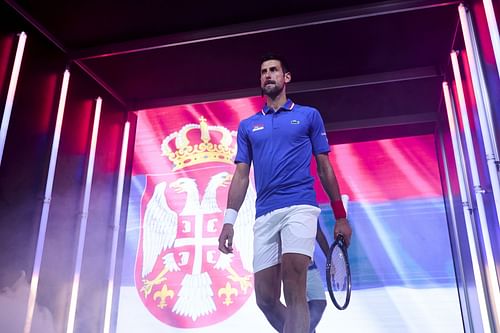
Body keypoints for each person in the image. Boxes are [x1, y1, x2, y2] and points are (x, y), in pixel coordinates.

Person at [218, 54, 352, 333]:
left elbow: (325, 168)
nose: (268, 75)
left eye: (274, 70)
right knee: (265, 299)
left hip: (299, 206)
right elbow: (241, 175)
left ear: (286, 77)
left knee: (294, 282)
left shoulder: (308, 116)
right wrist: (228, 221)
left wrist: (340, 217)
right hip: (265, 212)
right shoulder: (247, 126)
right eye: (264, 71)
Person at [307, 221, 330, 333]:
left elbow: (319, 234)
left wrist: (330, 258)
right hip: (293, 268)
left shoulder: (311, 208)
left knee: (319, 304)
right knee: (302, 309)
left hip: (310, 266)